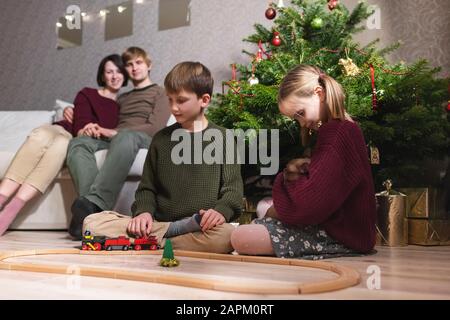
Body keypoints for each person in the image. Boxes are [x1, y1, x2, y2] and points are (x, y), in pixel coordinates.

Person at [82, 61, 244, 253]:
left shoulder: (225, 138)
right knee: (91, 223)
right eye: (170, 100)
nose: (174, 108)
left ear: (205, 100)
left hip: (204, 228)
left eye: (181, 100)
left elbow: (233, 191)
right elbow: (147, 189)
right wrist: (143, 213)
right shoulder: (161, 139)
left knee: (226, 237)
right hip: (163, 223)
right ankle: (172, 233)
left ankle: (155, 241)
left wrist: (220, 212)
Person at [231, 64, 377, 259]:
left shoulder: (337, 132)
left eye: (300, 113)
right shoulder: (341, 129)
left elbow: (310, 204)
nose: (301, 123)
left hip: (344, 235)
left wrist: (287, 178)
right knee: (255, 226)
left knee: (243, 237)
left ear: (319, 93)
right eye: (295, 118)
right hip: (342, 229)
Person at [0, 54, 127, 236]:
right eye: (109, 71)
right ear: (102, 75)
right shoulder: (87, 93)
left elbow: (115, 133)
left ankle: (11, 210)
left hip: (75, 141)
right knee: (41, 134)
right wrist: (84, 127)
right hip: (64, 130)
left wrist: (97, 132)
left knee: (61, 146)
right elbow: (80, 123)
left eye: (118, 71)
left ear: (124, 74)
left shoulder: (123, 106)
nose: (114, 76)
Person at [65, 47, 172, 239]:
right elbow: (102, 113)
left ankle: (94, 205)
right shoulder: (122, 97)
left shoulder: (161, 92)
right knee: (79, 143)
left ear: (149, 65)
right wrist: (72, 114)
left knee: (125, 136)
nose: (134, 68)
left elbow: (155, 127)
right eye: (129, 64)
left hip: (143, 138)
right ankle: (92, 212)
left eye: (138, 62)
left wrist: (115, 132)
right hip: (118, 139)